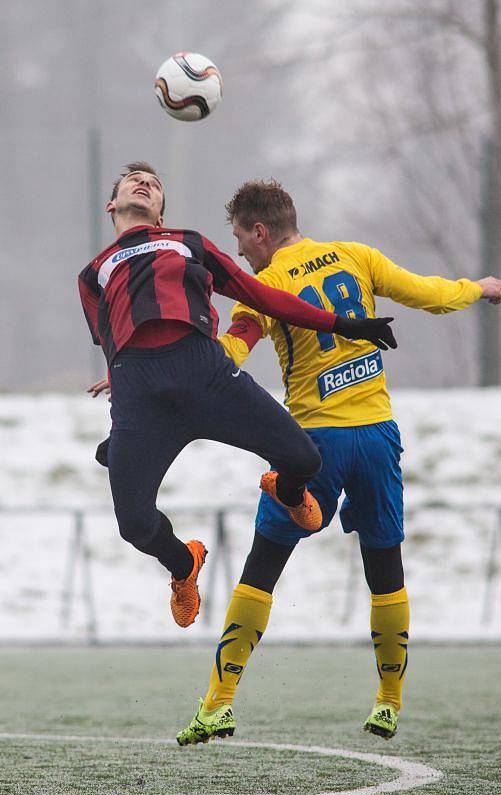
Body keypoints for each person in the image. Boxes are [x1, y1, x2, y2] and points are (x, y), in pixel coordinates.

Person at [176, 179, 501, 745]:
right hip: (377, 438)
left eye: (239, 239)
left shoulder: (266, 284)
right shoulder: (357, 257)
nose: (237, 253)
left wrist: (179, 372)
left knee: (262, 568)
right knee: (385, 570)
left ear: (261, 231)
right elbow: (425, 293)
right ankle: (388, 702)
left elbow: (235, 345)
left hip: (311, 446)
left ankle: (218, 704)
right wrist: (476, 288)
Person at [80, 162, 397, 632]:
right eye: (133, 181)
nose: (145, 183)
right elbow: (110, 337)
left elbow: (260, 294)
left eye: (155, 183)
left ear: (161, 213)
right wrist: (119, 400)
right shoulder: (94, 273)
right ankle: (183, 565)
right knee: (133, 524)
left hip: (205, 372)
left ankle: (286, 492)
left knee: (305, 460)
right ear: (112, 204)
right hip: (141, 392)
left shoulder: (189, 243)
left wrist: (343, 323)